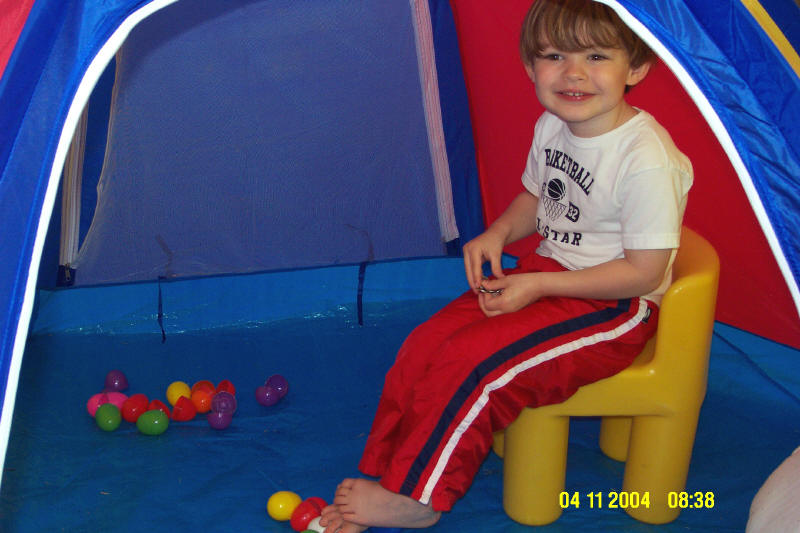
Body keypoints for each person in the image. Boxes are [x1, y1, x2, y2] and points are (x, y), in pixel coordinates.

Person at [320, 0, 692, 531]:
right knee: (427, 344)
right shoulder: (553, 126)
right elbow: (536, 200)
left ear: (635, 67)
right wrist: (497, 232)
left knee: (476, 365)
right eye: (554, 56)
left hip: (614, 305)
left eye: (596, 56)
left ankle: (419, 498)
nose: (573, 73)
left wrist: (537, 285)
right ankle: (392, 472)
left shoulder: (645, 159)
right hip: (548, 274)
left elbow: (644, 274)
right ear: (530, 67)